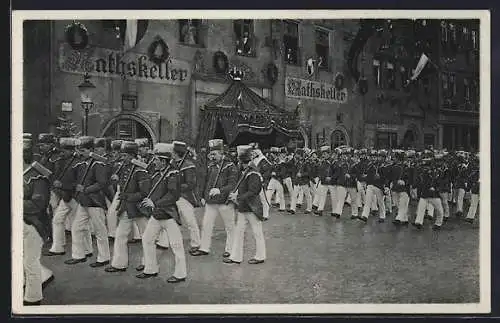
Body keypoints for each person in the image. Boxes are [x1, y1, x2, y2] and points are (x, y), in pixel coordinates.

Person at [137, 143, 187, 282]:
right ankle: (150, 269)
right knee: (147, 240)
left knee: (176, 245)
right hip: (156, 214)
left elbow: (173, 195)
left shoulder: (173, 174)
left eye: (156, 159)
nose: (154, 162)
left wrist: (155, 203)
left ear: (163, 161)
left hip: (168, 214)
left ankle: (180, 274)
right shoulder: (157, 173)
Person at [64, 136, 111, 268]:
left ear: (91, 150)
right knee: (76, 228)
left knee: (99, 231)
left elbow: (102, 183)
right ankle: (79, 255)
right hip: (84, 202)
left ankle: (104, 258)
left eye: (83, 150)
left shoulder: (98, 163)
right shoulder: (82, 163)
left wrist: (86, 189)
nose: (80, 153)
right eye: (79, 150)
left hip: (95, 202)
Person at [105, 141, 151, 273]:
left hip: (139, 208)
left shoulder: (140, 170)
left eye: (125, 155)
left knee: (146, 236)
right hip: (127, 207)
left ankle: (148, 262)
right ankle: (119, 264)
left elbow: (144, 192)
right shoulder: (125, 168)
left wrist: (128, 197)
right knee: (120, 235)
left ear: (132, 156)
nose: (122, 157)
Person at [190, 139, 238, 258]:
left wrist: (220, 190)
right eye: (211, 154)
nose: (212, 157)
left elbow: (233, 184)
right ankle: (204, 248)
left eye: (215, 154)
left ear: (222, 154)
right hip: (210, 201)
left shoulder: (230, 166)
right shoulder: (210, 166)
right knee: (206, 224)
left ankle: (231, 249)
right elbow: (204, 181)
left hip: (224, 201)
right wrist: (202, 196)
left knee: (229, 226)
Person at [23, 133, 54, 305]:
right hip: (19, 222)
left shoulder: (37, 174)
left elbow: (38, 204)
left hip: (34, 223)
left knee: (30, 261)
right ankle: (44, 275)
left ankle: (33, 299)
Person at [224, 145, 266, 265]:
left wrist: (237, 197)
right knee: (239, 232)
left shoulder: (253, 172)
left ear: (241, 161)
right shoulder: (245, 171)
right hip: (244, 207)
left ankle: (260, 256)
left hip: (252, 207)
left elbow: (253, 191)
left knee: (257, 232)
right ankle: (236, 257)